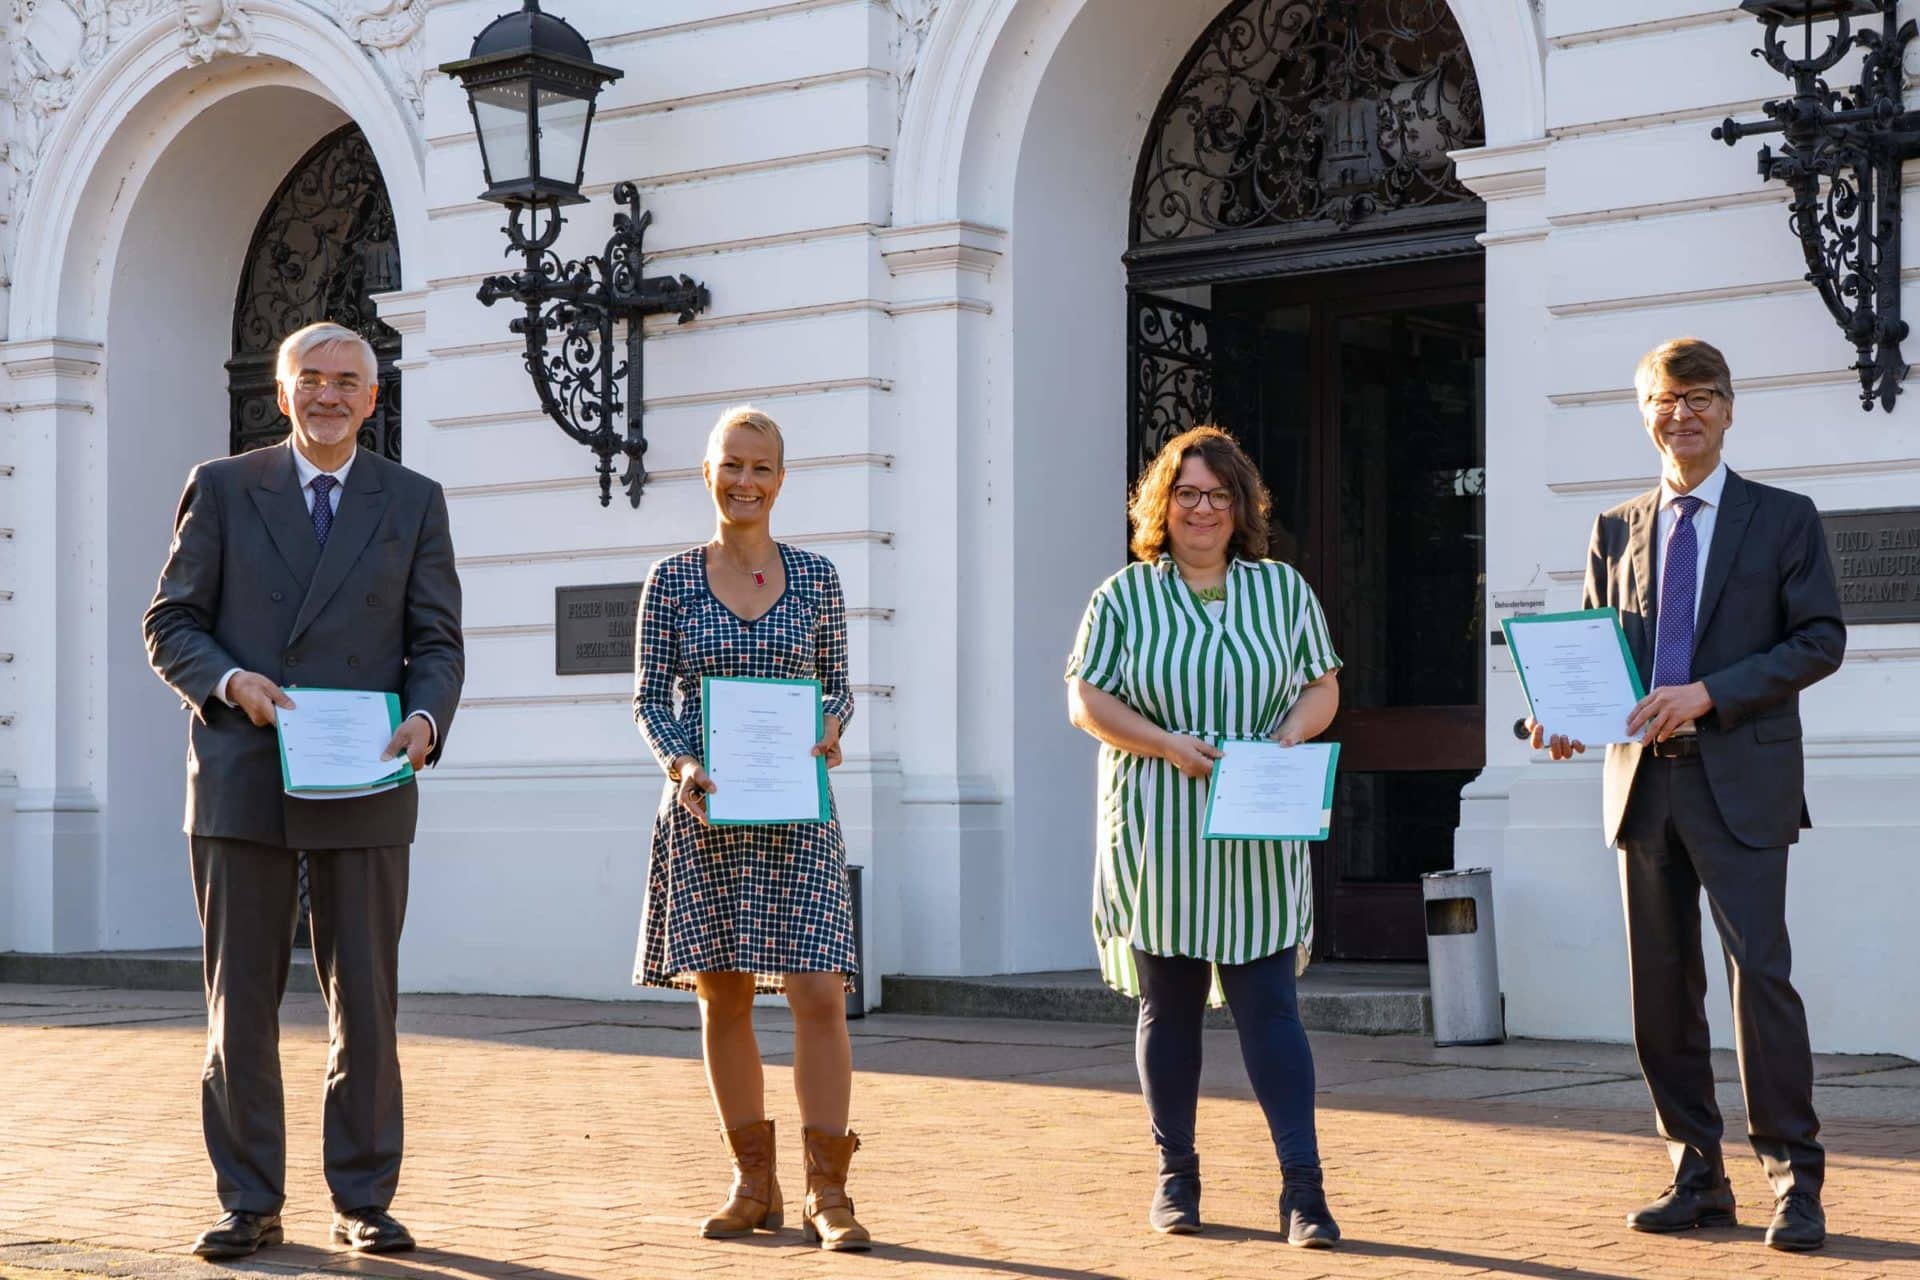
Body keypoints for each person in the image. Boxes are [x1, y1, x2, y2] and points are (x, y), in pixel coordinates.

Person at [144, 322, 464, 1259]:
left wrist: (426, 720)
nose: (329, 396)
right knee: (239, 1002)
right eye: (311, 381)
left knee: (365, 999)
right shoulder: (226, 487)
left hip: (366, 774)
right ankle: (249, 1201)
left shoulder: (414, 500)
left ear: (375, 398)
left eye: (347, 382)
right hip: (245, 771)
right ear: (281, 395)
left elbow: (437, 641)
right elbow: (171, 621)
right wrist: (231, 683)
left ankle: (363, 1197)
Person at [1530, 337, 1843, 1253]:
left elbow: (1820, 640)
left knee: (1761, 985)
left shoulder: (1783, 518)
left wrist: (1710, 693)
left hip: (1740, 779)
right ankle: (1695, 1176)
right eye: (1666, 400)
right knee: (1661, 993)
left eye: (1701, 396)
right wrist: (1567, 719)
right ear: (1646, 414)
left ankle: (1793, 1180)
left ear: (1729, 408)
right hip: (1641, 788)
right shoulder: (1616, 528)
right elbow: (1604, 659)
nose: (1684, 413)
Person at [1064, 425, 1343, 1248]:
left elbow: (1322, 686)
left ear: (1242, 506)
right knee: (1170, 1008)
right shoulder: (1123, 597)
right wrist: (1164, 742)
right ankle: (1176, 1178)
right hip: (1159, 828)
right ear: (1162, 503)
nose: (1202, 508)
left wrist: (1290, 735)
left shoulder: (1282, 590)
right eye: (1187, 493)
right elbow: (1085, 700)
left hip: (1258, 829)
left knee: (1272, 1012)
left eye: (1219, 495)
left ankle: (1304, 1193)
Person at [631, 406, 869, 1252]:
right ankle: (752, 1183)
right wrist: (680, 764)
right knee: (723, 993)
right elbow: (651, 698)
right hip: (705, 808)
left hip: (797, 809)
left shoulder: (819, 577)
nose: (745, 481)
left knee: (818, 991)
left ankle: (827, 1193)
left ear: (781, 478)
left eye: (761, 467)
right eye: (731, 465)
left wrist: (833, 727)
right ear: (707, 474)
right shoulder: (670, 579)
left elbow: (837, 686)